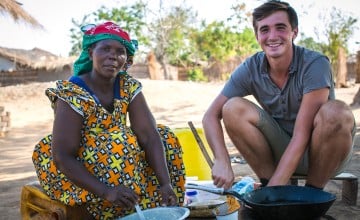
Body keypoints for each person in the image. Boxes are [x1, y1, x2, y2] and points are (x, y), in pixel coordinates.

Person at [32, 21, 185, 219]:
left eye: (120, 51)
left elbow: (148, 135)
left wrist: (165, 183)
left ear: (126, 59)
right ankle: (103, 211)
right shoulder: (73, 92)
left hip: (116, 154)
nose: (113, 55)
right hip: (74, 165)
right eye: (105, 49)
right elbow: (63, 156)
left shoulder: (127, 86)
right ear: (90, 53)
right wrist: (107, 191)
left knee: (164, 137)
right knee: (120, 143)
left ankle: (158, 203)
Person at [202, 1, 355, 190]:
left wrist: (276, 188)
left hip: (325, 153)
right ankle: (269, 185)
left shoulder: (315, 64)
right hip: (282, 149)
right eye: (264, 29)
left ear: (294, 32)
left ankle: (312, 193)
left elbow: (302, 134)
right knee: (232, 108)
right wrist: (222, 159)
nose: (272, 36)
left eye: (281, 28)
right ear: (257, 36)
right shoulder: (250, 68)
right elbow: (210, 116)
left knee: (336, 111)